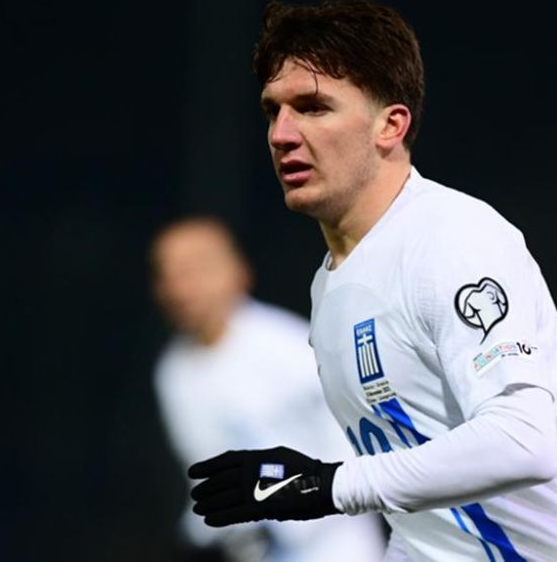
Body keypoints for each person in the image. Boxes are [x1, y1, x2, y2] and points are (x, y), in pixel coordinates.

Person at [188, 0, 557, 561]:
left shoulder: (453, 238)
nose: (282, 134)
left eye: (313, 107)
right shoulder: (331, 290)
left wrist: (324, 484)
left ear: (390, 125)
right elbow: (424, 522)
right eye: (272, 111)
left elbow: (522, 442)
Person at [150, 217, 386, 561]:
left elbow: (356, 445)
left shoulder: (289, 347)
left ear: (237, 271)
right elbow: (205, 476)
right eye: (167, 274)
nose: (180, 287)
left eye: (194, 271)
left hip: (334, 546)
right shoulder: (174, 373)